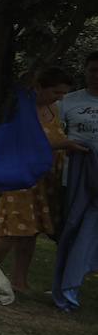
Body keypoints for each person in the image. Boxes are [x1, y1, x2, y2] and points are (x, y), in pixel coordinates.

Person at [0, 66, 88, 292]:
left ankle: (19, 281)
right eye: (55, 92)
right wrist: (64, 144)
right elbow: (24, 142)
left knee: (31, 231)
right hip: (21, 178)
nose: (60, 98)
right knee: (12, 230)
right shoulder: (21, 108)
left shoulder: (54, 110)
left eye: (63, 93)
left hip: (46, 181)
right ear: (39, 87)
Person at [55, 52, 98, 311]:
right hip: (74, 177)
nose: (97, 76)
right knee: (70, 231)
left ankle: (72, 281)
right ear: (86, 70)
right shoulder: (68, 101)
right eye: (93, 70)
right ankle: (65, 285)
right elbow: (53, 136)